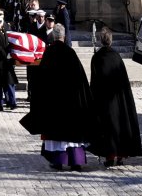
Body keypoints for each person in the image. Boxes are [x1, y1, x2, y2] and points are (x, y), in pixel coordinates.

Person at [20, 28, 93, 170]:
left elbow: (39, 81)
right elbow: (81, 80)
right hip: (71, 103)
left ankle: (58, 161)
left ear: (52, 38)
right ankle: (75, 162)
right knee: (72, 135)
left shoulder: (48, 54)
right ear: (64, 37)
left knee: (56, 135)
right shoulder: (71, 53)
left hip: (53, 104)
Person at [87, 29, 142, 167]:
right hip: (118, 98)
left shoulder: (97, 57)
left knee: (108, 128)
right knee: (119, 125)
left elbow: (94, 80)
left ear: (101, 40)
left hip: (104, 99)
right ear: (111, 41)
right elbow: (124, 79)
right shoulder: (117, 56)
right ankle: (121, 156)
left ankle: (109, 157)